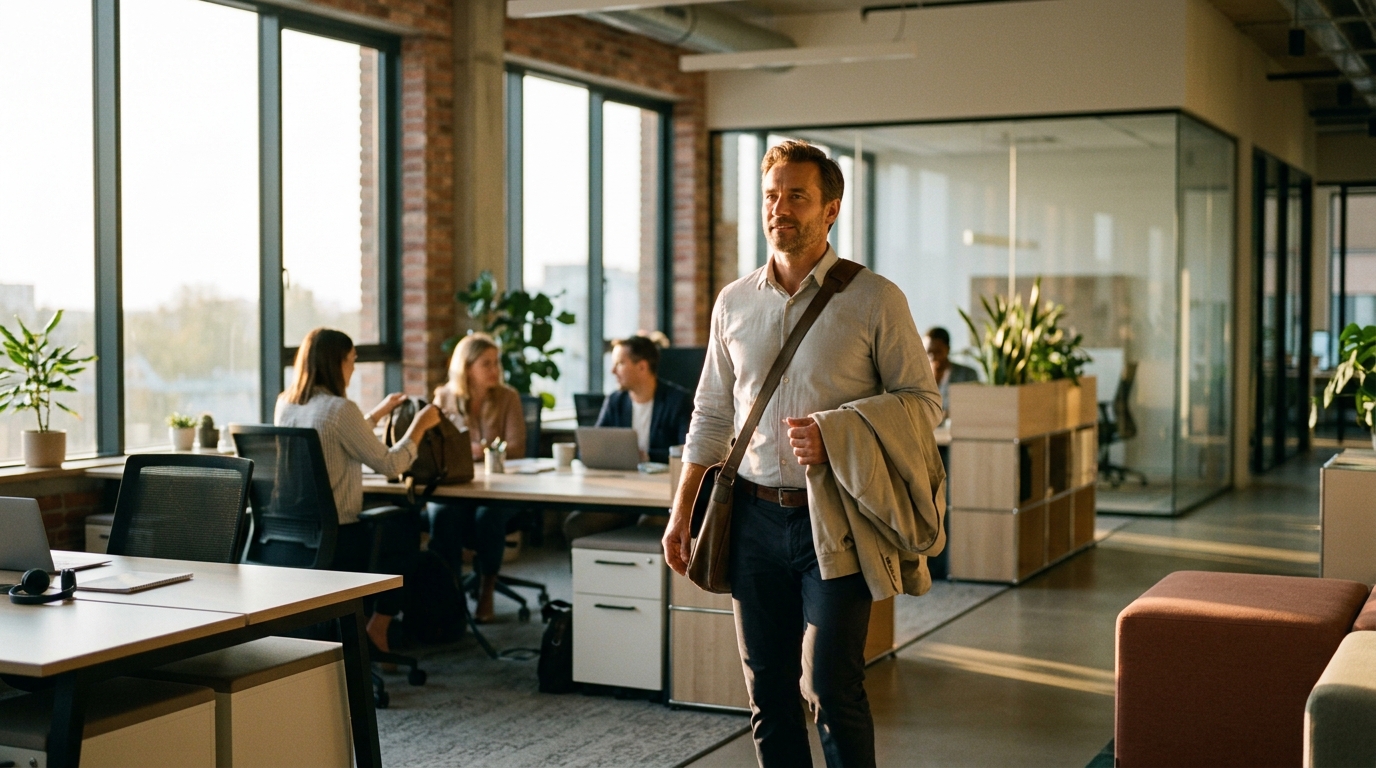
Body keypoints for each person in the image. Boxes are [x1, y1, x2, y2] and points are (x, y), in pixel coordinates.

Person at [663, 141, 942, 768]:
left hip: (836, 520)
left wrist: (839, 431)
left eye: (796, 195)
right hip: (754, 523)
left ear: (831, 208)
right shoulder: (734, 302)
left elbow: (923, 404)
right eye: (770, 194)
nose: (779, 208)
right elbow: (710, 416)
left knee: (830, 688)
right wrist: (682, 513)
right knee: (768, 695)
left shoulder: (875, 299)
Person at [275, 327, 441, 654]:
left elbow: (332, 435)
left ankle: (362, 624)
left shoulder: (287, 404)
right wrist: (419, 426)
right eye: (351, 361)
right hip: (341, 538)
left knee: (395, 527)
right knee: (407, 528)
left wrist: (377, 414)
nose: (353, 369)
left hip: (295, 535)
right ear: (335, 363)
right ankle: (377, 626)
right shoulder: (340, 409)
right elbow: (391, 465)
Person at [428, 333, 527, 623]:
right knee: (444, 514)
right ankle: (451, 596)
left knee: (488, 516)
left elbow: (517, 447)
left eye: (496, 363)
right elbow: (436, 447)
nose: (495, 370)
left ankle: (487, 589)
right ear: (467, 367)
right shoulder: (444, 397)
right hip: (459, 486)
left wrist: (477, 450)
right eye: (487, 364)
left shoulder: (508, 397)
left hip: (501, 488)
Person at [562, 335, 693, 542]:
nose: (613, 371)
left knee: (647, 526)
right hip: (623, 494)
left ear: (642, 367)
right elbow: (593, 446)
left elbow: (685, 453)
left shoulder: (678, 401)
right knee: (576, 524)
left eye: (620, 364)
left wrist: (646, 457)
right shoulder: (615, 401)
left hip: (663, 497)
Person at [924, 326, 980, 417]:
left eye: (938, 352)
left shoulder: (967, 375)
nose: (933, 357)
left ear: (948, 349)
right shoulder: (917, 378)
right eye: (928, 352)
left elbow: (974, 408)